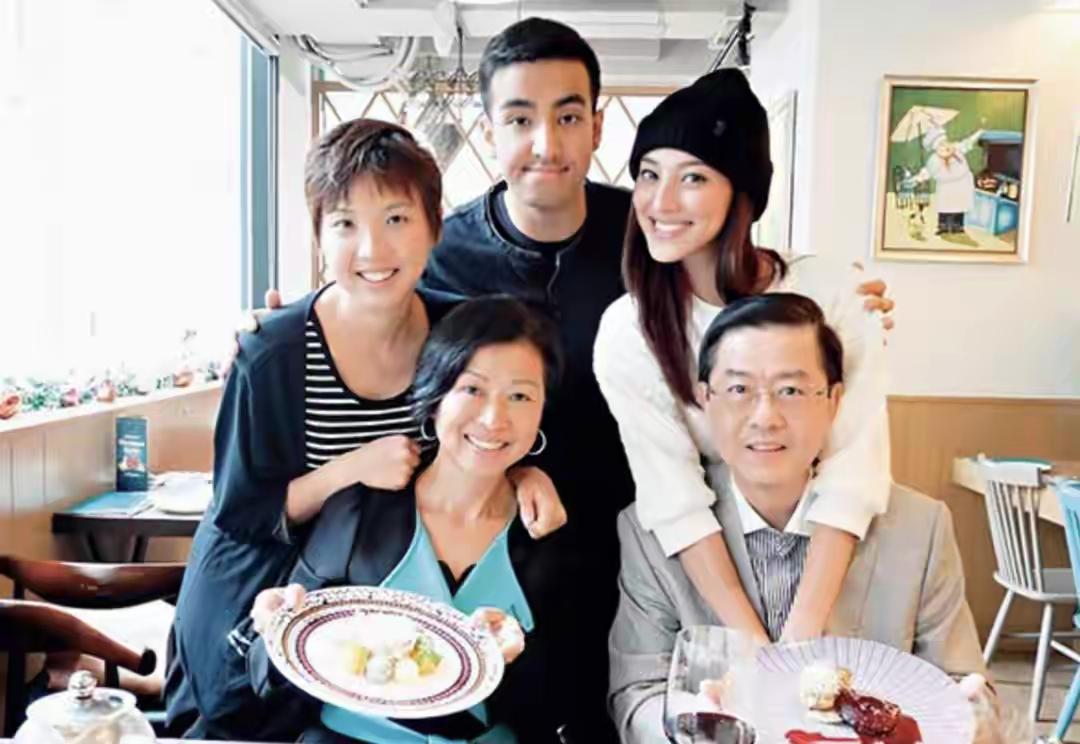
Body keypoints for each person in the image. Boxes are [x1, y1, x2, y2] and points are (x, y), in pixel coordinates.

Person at [255, 19, 894, 738]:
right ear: (489, 129)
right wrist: (283, 323)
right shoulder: (442, 252)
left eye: (567, 117)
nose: (545, 144)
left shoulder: (646, 236)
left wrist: (840, 300)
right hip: (509, 547)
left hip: (644, 544)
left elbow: (742, 284)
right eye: (519, 119)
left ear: (597, 125)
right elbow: (383, 307)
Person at [165, 119, 561, 739]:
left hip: (370, 615)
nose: (373, 249)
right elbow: (240, 512)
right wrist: (351, 469)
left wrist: (524, 470)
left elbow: (490, 415)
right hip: (261, 598)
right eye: (346, 223)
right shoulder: (273, 353)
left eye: (397, 219)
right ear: (319, 236)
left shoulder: (454, 333)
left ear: (435, 227)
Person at [593, 68, 891, 646]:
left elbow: (855, 468)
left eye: (693, 177)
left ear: (742, 194)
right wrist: (753, 645)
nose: (661, 201)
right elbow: (673, 497)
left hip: (834, 552)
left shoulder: (830, 294)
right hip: (708, 560)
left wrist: (800, 635)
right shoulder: (629, 331)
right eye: (649, 174)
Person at [608, 292, 987, 742]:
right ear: (705, 398)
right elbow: (637, 694)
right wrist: (694, 724)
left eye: (791, 390)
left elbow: (966, 687)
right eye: (739, 390)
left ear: (833, 400)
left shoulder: (919, 528)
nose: (765, 417)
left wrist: (967, 721)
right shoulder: (651, 534)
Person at [244, 296, 578, 743]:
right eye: (472, 390)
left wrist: (520, 659)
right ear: (436, 398)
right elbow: (270, 680)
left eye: (520, 396)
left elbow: (567, 700)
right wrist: (274, 628)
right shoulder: (361, 512)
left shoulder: (550, 531)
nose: (494, 418)